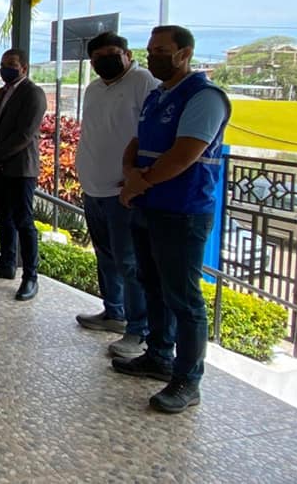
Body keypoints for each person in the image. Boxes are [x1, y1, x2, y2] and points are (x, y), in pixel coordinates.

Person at [114, 25, 230, 414]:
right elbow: (136, 144)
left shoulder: (204, 97)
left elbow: (185, 154)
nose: (153, 57)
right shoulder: (158, 95)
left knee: (184, 297)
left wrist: (137, 183)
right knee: (152, 284)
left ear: (185, 53)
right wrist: (130, 173)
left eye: (161, 50)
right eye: (150, 50)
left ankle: (187, 380)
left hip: (182, 211)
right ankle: (158, 355)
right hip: (148, 205)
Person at [75, 32, 158, 358]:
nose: (103, 61)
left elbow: (151, 133)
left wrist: (137, 175)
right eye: (96, 58)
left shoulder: (143, 81)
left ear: (127, 54)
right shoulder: (94, 88)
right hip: (93, 187)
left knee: (129, 261)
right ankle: (114, 311)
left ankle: (138, 330)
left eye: (111, 53)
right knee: (106, 255)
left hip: (123, 191)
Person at [0, 48, 47, 301]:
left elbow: (25, 134)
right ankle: (6, 263)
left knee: (24, 221)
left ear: (24, 68)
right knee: (3, 216)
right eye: (3, 63)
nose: (6, 68)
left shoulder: (33, 94)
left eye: (12, 64)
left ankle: (30, 276)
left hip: (20, 169)